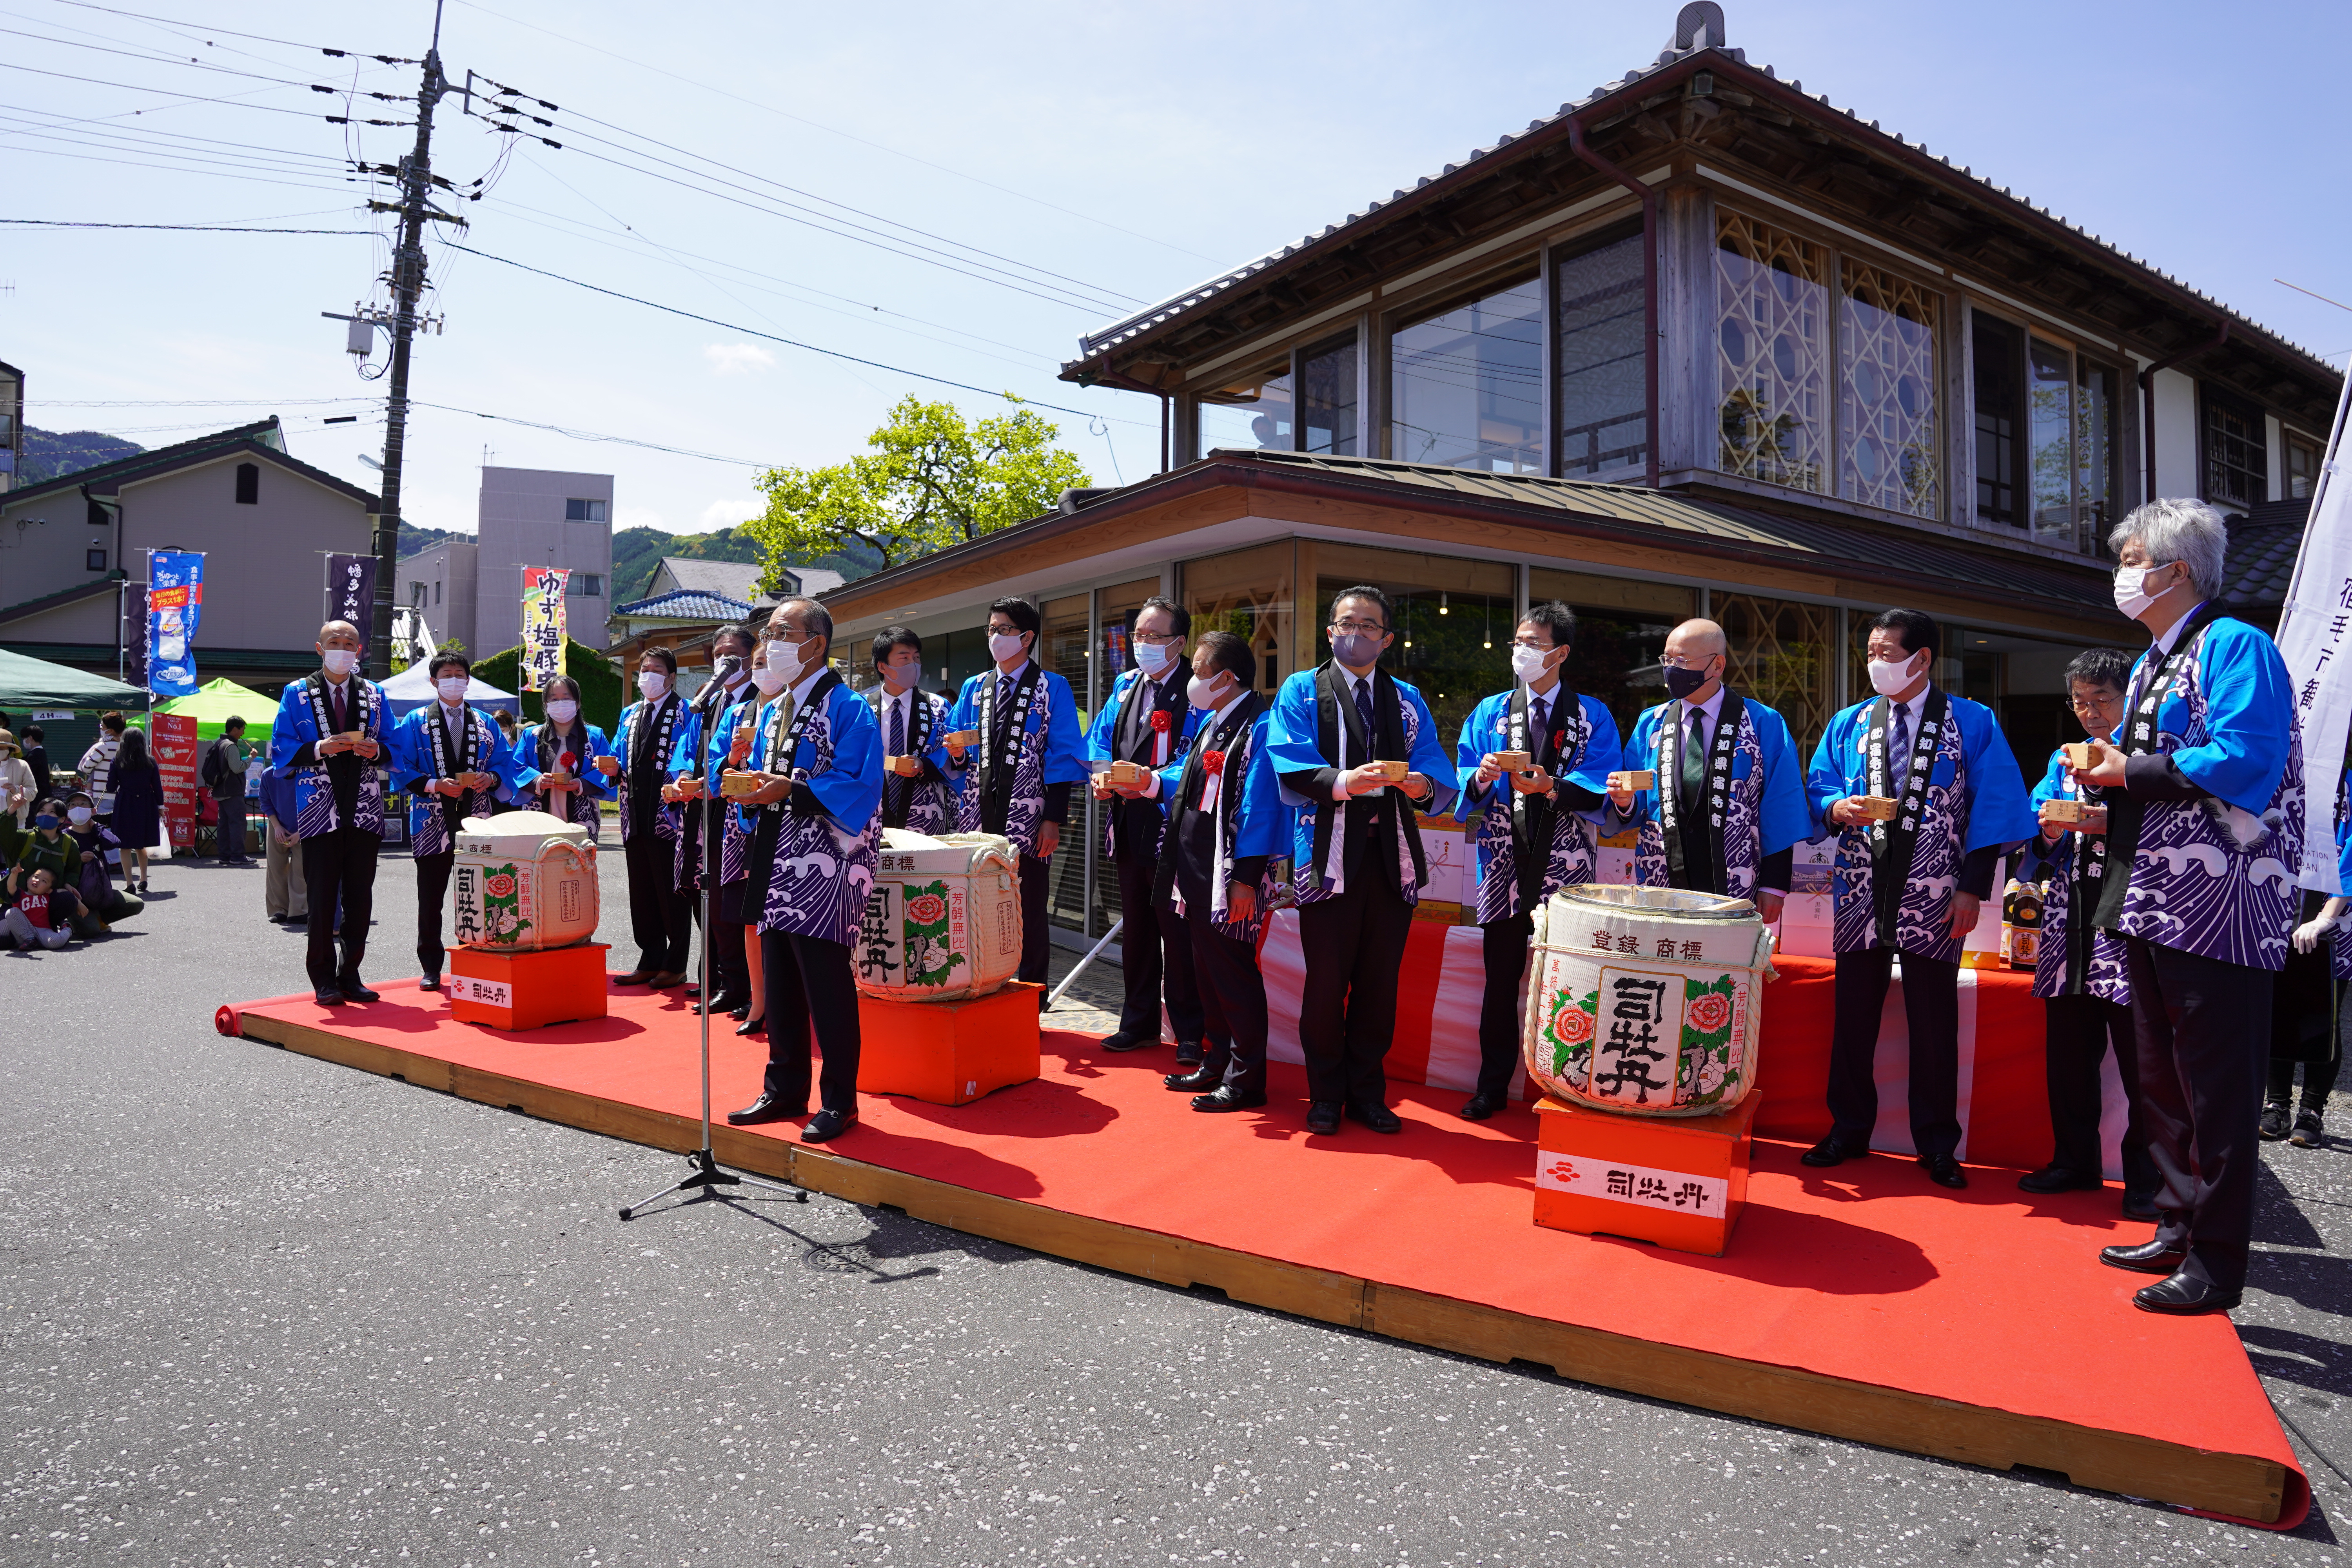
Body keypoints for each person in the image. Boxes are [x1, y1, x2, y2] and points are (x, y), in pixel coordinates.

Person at [2072, 498, 2302, 1315]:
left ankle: (2218, 1259)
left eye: (2132, 556)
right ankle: (2176, 1221)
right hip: (2151, 892)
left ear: (2175, 568)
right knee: (2159, 1075)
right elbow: (2149, 772)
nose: (2122, 571)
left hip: (2220, 900)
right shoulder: (2152, 659)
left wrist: (2124, 771)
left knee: (2216, 1086)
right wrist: (2108, 783)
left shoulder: (2236, 643)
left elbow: (2245, 754)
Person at [1804, 608, 2034, 1190]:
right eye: (1871, 653)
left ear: (1923, 658)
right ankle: (1848, 1129)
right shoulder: (1852, 721)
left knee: (1934, 1022)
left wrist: (1971, 890)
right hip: (1860, 887)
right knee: (1853, 1015)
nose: (1875, 663)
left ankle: (1937, 1144)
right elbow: (1820, 785)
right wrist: (1837, 808)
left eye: (1887, 652)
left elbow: (1996, 806)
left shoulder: (1972, 721)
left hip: (1937, 891)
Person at [1267, 584, 1461, 1136]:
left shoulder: (1406, 697)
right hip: (1327, 855)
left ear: (1388, 638)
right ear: (1330, 631)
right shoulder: (1302, 690)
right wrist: (1345, 782)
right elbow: (1288, 757)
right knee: (1326, 982)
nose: (1357, 633)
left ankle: (1368, 1094)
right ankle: (1325, 1093)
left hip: (1390, 854)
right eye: (1347, 623)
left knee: (1379, 983)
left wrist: (1423, 783)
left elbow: (1432, 767)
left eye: (1370, 625)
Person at [722, 597, 884, 1143]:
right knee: (783, 982)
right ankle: (784, 1086)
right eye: (767, 632)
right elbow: (768, 783)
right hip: (776, 856)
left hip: (827, 868)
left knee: (827, 986)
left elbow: (858, 783)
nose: (770, 643)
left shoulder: (850, 707)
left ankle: (841, 1100)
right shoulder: (773, 709)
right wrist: (745, 789)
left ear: (816, 642)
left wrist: (788, 789)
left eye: (781, 631)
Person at [1458, 603, 1626, 1120]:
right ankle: (1492, 1086)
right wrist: (1483, 775)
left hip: (1566, 864)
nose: (1521, 652)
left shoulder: (1592, 715)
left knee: (1569, 981)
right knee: (1501, 980)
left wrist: (1554, 787)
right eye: (1517, 643)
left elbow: (1605, 779)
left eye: (1532, 644)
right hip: (1504, 863)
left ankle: (1566, 1086)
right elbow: (1465, 773)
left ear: (1561, 653)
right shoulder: (1490, 711)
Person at [2019, 648, 2158, 1215]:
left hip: (2129, 922)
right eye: (2080, 702)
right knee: (2069, 1053)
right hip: (2069, 919)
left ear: (2130, 699)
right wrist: (2048, 828)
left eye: (2103, 699)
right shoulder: (2063, 758)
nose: (2091, 712)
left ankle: (2149, 1178)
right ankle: (2073, 1161)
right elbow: (2038, 818)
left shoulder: (2148, 754)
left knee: (2143, 1060)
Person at [1149, 631, 1283, 1111]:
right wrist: (1146, 781)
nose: (1193, 675)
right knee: (1206, 972)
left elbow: (1261, 807)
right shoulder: (1214, 721)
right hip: (1196, 870)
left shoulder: (1260, 727)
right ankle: (1217, 1060)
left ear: (1227, 677)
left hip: (1232, 879)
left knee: (1233, 976)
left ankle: (1247, 1080)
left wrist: (1247, 877)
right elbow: (1187, 775)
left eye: (1201, 667)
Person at [1610, 618, 1813, 917]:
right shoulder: (1651, 723)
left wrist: (1774, 885)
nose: (1671, 669)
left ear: (1717, 666)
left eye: (1682, 660)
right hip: (1661, 874)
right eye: (1667, 659)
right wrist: (1624, 801)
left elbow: (1781, 804)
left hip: (1737, 877)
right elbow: (1636, 796)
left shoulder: (1762, 723)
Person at [944, 597, 1088, 1001]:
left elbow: (1062, 755)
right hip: (976, 814)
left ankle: (1031, 999)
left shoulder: (1052, 687)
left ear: (1027, 637)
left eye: (1004, 630)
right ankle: (982, 987)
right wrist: (954, 752)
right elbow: (956, 751)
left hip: (1030, 817)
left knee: (1028, 910)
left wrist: (1053, 818)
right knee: (978, 905)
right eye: (991, 629)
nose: (995, 637)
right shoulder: (974, 688)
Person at [1086, 597, 1208, 1060]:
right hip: (1125, 822)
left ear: (1180, 642)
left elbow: (1199, 756)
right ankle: (1137, 1022)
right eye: (1139, 635)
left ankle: (1190, 1032)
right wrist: (1100, 775)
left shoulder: (1196, 690)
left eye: (1155, 636)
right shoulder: (1124, 684)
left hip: (1170, 826)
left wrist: (1154, 781)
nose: (1144, 644)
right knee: (1136, 929)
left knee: (1176, 933)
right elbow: (1099, 739)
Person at [390, 652, 536, 991]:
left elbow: (506, 763)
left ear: (468, 681)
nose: (454, 680)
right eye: (447, 674)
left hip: (478, 818)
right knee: (431, 896)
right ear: (433, 681)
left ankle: (483, 957)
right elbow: (401, 764)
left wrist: (493, 779)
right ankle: (431, 965)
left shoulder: (485, 723)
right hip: (431, 820)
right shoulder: (414, 721)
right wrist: (433, 784)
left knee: (483, 892)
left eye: (460, 674)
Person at [268, 619, 391, 1007]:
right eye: (334, 642)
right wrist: (320, 747)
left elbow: (395, 744)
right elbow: (281, 747)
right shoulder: (297, 693)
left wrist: (379, 751)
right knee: (321, 897)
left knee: (360, 896)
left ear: (360, 651)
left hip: (366, 806)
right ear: (320, 649)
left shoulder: (375, 694)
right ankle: (322, 977)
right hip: (319, 808)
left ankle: (350, 973)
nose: (343, 648)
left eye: (350, 643)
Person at [666, 625, 757, 1016]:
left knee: (739, 903)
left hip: (740, 808)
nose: (725, 660)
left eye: (733, 653)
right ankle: (723, 981)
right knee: (713, 897)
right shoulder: (711, 702)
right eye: (719, 654)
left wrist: (714, 780)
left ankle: (749, 987)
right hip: (704, 810)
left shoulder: (759, 699)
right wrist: (684, 776)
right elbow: (688, 747)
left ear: (752, 657)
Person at [598, 647, 693, 987]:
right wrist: (610, 768)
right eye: (644, 669)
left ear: (671, 677)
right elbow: (616, 753)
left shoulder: (685, 712)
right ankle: (650, 958)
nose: (648, 675)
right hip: (633, 813)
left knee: (673, 893)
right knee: (642, 892)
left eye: (656, 670)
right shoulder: (630, 714)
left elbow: (689, 757)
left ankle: (676, 963)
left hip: (668, 816)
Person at [2273, 799, 2347, 1149]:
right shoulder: (2291, 767)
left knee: (2324, 1013)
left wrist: (2327, 916)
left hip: (2339, 915)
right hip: (2280, 902)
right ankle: (2276, 1105)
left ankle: (2311, 1111)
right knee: (2277, 1005)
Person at [866, 627, 955, 835]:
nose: (913, 665)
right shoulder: (862, 708)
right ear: (883, 666)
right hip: (871, 817)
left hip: (925, 816)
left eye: (916, 658)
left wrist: (924, 764)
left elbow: (954, 755)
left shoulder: (938, 707)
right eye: (904, 658)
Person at [524, 675, 614, 836]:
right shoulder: (531, 736)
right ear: (546, 705)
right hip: (538, 817)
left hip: (583, 816)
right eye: (554, 700)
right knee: (540, 861)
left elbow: (609, 769)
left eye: (566, 699)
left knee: (579, 861)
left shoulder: (594, 737)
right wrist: (537, 781)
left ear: (578, 703)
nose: (560, 704)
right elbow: (516, 766)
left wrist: (582, 784)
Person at [62, 792, 141, 925]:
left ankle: (100, 918)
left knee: (136, 904)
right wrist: (77, 860)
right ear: (68, 811)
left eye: (83, 804)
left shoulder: (97, 833)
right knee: (90, 932)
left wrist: (94, 825)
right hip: (77, 896)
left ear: (93, 811)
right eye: (73, 805)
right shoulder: (64, 836)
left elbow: (114, 843)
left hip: (100, 891)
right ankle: (79, 922)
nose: (78, 808)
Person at [109, 726, 164, 894]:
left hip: (125, 802)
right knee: (141, 845)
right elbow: (158, 787)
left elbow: (111, 787)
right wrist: (160, 807)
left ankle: (129, 883)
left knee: (124, 846)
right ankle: (144, 878)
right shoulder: (150, 761)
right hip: (146, 803)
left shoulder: (117, 761)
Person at [203, 716, 259, 866]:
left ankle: (225, 856)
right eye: (242, 729)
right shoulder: (231, 746)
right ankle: (237, 856)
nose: (243, 733)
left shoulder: (219, 743)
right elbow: (237, 768)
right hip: (232, 791)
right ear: (235, 729)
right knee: (237, 824)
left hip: (221, 791)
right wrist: (251, 758)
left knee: (224, 825)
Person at [258, 762, 309, 926]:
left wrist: (301, 833)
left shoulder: (307, 773)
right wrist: (277, 827)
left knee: (302, 868)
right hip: (277, 824)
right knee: (276, 866)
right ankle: (280, 909)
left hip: (306, 825)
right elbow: (265, 802)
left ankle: (299, 911)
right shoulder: (267, 775)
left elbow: (317, 805)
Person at [3, 866, 88, 951]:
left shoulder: (46, 897)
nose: (37, 880)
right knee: (11, 912)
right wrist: (14, 874)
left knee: (55, 942)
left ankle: (67, 929)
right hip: (24, 931)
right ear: (28, 879)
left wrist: (78, 901)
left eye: (44, 881)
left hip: (43, 930)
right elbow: (11, 886)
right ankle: (30, 940)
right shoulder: (20, 895)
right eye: (36, 877)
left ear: (49, 890)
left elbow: (63, 891)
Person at [76, 711, 127, 828]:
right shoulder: (126, 747)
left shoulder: (103, 746)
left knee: (101, 829)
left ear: (111, 731)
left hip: (102, 796)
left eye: (103, 726)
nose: (101, 729)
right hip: (120, 795)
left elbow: (86, 768)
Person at [0, 729, 34, 830]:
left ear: (9, 748)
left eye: (2, 748)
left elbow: (32, 793)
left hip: (16, 823)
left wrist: (16, 790)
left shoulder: (21, 765)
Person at [21, 724, 53, 804]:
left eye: (25, 738)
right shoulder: (40, 752)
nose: (24, 741)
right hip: (42, 794)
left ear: (30, 738)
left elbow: (28, 775)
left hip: (37, 796)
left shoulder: (34, 755)